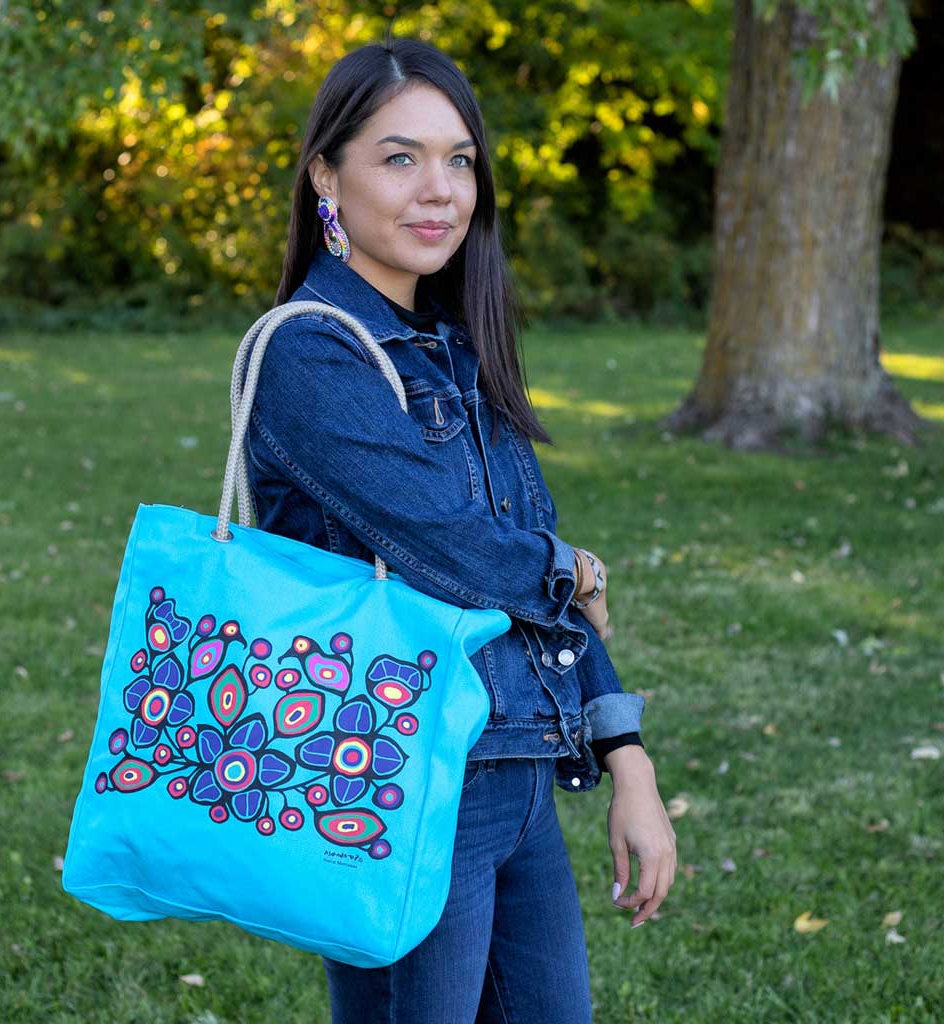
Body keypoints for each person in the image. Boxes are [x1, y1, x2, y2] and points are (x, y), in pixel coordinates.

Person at [244, 31, 677, 1024]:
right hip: (396, 780)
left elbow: (523, 559)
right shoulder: (309, 357)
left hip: (510, 769)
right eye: (399, 158)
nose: (438, 188)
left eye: (458, 159)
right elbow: (458, 550)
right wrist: (562, 569)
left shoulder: (450, 349)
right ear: (326, 174)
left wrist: (628, 760)